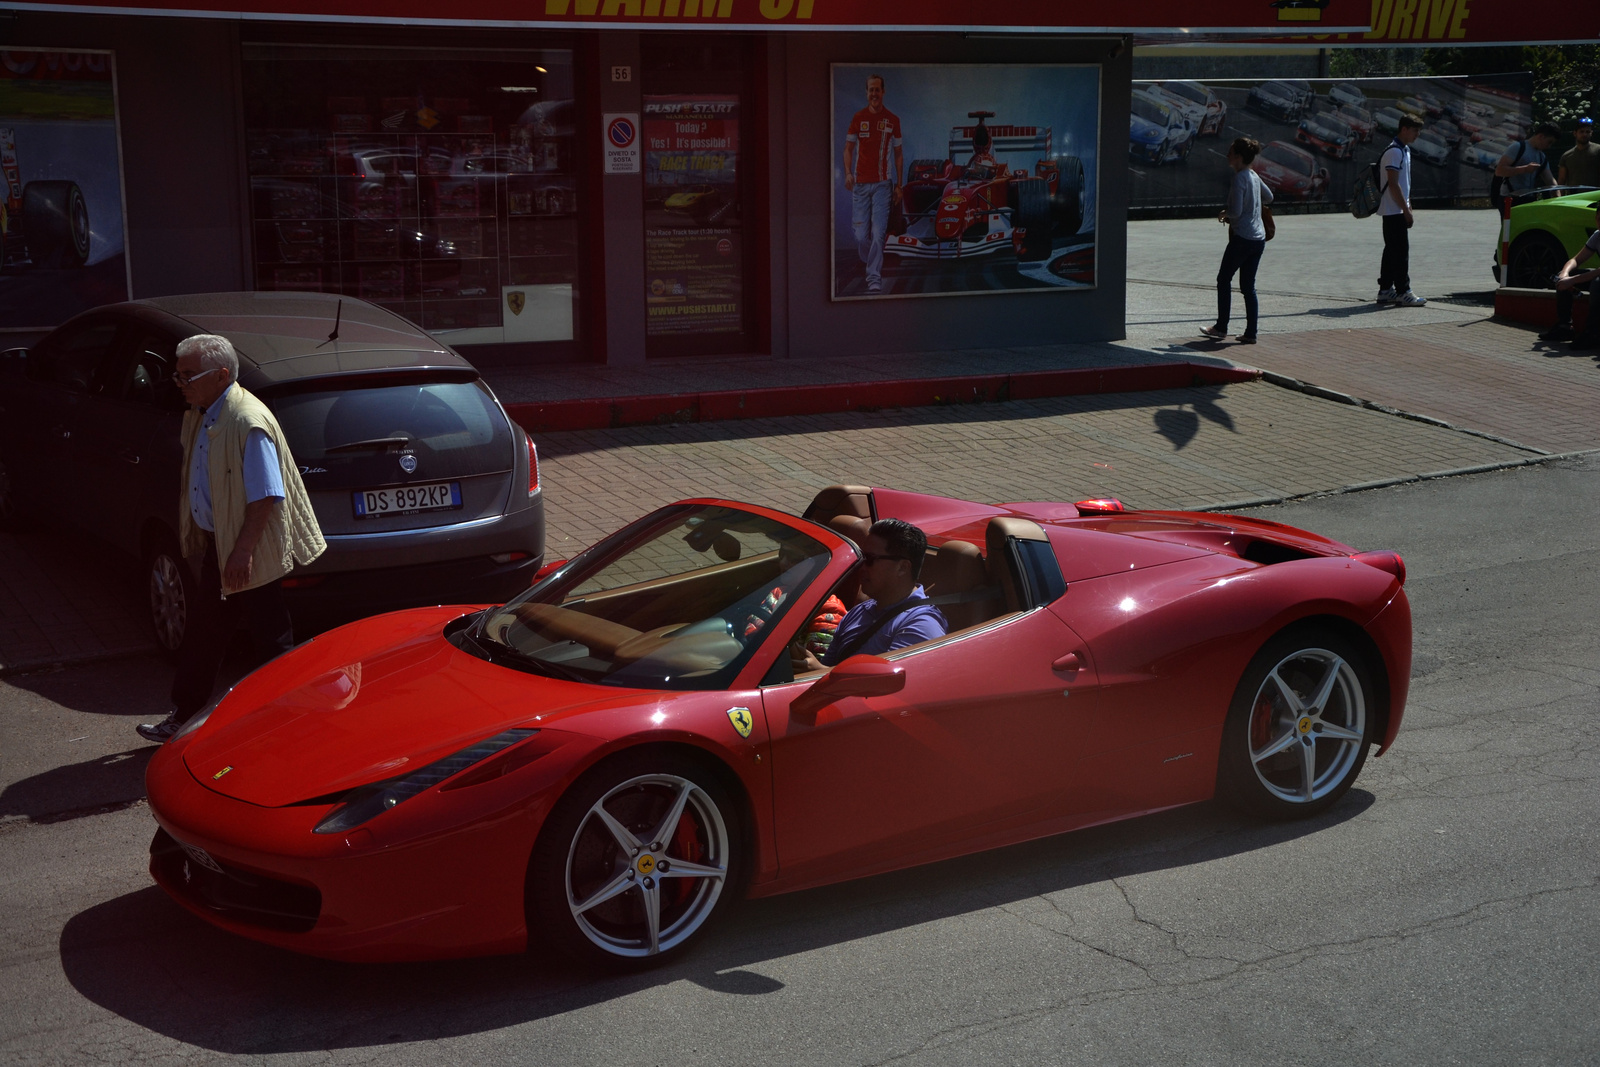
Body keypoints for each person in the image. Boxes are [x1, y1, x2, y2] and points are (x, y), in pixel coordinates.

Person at [136, 334, 326, 742]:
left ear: (221, 375)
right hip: (222, 548)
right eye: (177, 373)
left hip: (251, 551)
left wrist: (242, 552)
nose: (179, 382)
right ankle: (184, 718)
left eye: (188, 374)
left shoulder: (246, 420)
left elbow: (266, 495)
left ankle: (292, 726)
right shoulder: (204, 412)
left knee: (271, 642)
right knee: (207, 633)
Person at [792, 518, 947, 672]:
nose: (861, 566)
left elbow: (891, 691)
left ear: (902, 568)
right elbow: (829, 665)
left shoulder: (920, 625)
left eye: (870, 559)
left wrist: (818, 673)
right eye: (862, 557)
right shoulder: (859, 611)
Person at [1202, 137, 1272, 345]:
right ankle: (1251, 333)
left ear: (1239, 157)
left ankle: (1221, 327)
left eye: (1231, 152)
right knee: (1248, 287)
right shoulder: (1253, 175)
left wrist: (1225, 214)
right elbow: (1269, 198)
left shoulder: (1240, 178)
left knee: (1223, 279)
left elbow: (1236, 211)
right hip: (1258, 239)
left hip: (1242, 238)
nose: (1227, 155)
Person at [842, 73, 903, 295]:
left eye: (878, 89)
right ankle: (872, 260)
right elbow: (848, 149)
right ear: (866, 93)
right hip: (859, 185)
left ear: (883, 92)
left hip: (883, 186)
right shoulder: (858, 118)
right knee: (860, 236)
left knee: (878, 233)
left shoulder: (893, 120)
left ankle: (873, 277)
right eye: (871, 90)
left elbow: (898, 153)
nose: (874, 94)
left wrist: (899, 185)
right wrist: (848, 173)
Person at [1377, 114, 1427, 308]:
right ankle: (1403, 291)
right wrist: (1405, 210)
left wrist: (1408, 204)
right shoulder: (1394, 152)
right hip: (1392, 210)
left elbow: (1404, 184)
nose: (1417, 135)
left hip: (1397, 209)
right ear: (1404, 129)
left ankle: (1385, 290)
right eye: (1415, 130)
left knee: (1391, 250)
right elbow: (1393, 184)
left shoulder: (1404, 150)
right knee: (1400, 252)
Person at [1541, 199, 1600, 350]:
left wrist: (1572, 281)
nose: (1599, 222)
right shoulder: (1597, 236)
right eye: (1598, 218)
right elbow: (1576, 259)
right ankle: (1564, 327)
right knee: (1564, 276)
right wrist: (1565, 274)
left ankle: (1593, 333)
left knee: (1597, 283)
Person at [1495, 122, 1559, 198]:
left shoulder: (1541, 156)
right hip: (1509, 198)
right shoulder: (1517, 147)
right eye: (1549, 142)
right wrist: (1524, 169)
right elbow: (1499, 171)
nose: (1549, 146)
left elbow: (1549, 179)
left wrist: (1558, 198)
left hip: (1528, 198)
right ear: (1541, 136)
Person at [1557, 117, 1599, 188]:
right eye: (1581, 132)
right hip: (1575, 196)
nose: (1584, 134)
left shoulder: (1598, 150)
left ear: (1591, 133)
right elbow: (1561, 180)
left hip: (1595, 195)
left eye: (1587, 132)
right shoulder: (1566, 156)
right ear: (1575, 133)